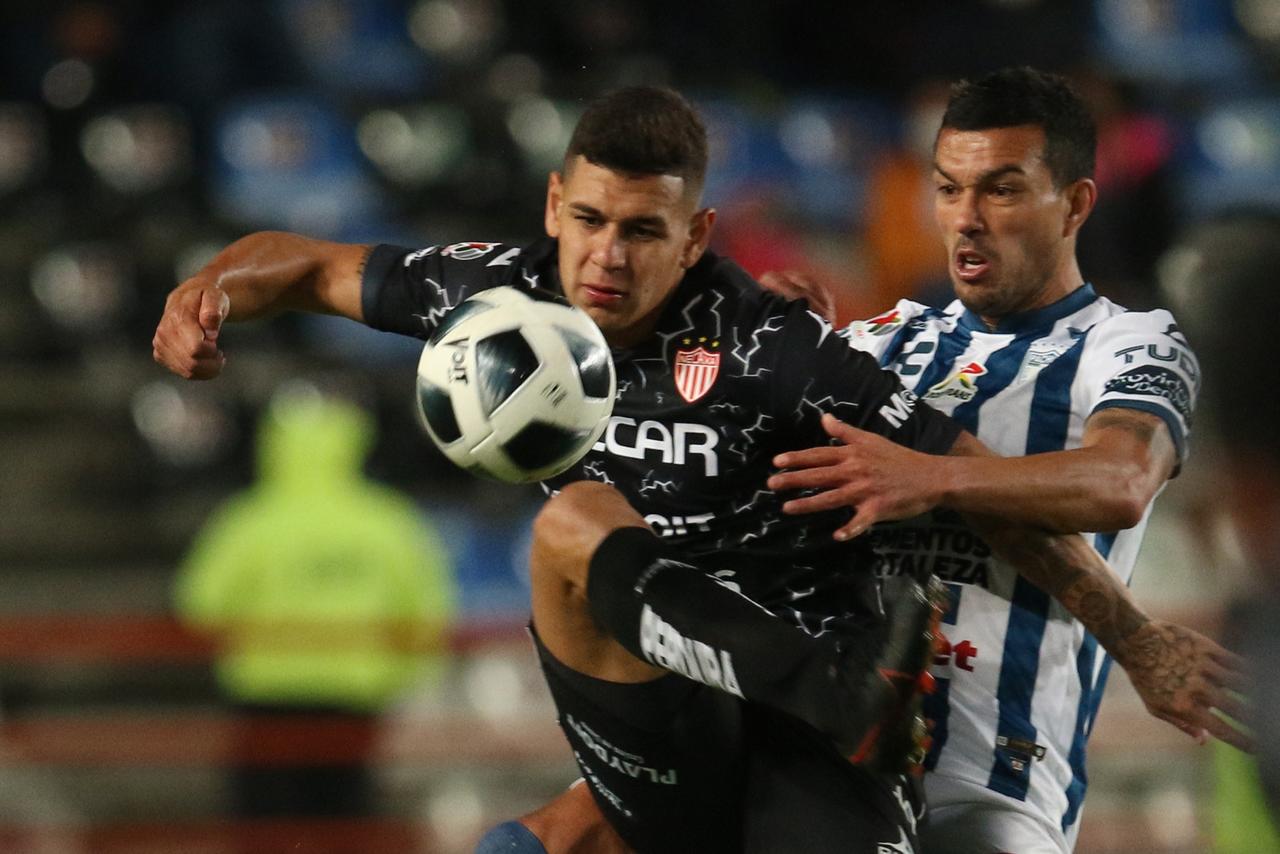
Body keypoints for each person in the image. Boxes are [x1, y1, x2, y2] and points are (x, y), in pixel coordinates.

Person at [152, 85, 1242, 854]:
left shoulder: (774, 349)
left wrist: (1133, 635)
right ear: (552, 206)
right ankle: (823, 697)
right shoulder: (493, 295)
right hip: (675, 695)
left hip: (810, 738)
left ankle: (819, 710)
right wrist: (206, 293)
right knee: (571, 521)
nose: (605, 256)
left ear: (696, 233)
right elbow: (309, 264)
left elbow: (997, 492)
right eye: (587, 220)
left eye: (642, 230)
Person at [762, 66, 1248, 853]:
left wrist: (929, 476)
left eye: (1002, 190)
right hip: (828, 764)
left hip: (992, 790)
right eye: (948, 189)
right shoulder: (879, 344)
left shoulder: (1129, 344)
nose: (967, 219)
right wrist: (759, 356)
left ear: (1076, 204)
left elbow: (1121, 479)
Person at [173, 386, 457, 823]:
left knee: (267, 823)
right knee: (344, 822)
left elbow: (200, 607)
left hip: (266, 695)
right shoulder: (389, 521)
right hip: (356, 697)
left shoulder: (248, 521)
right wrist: (400, 677)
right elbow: (427, 614)